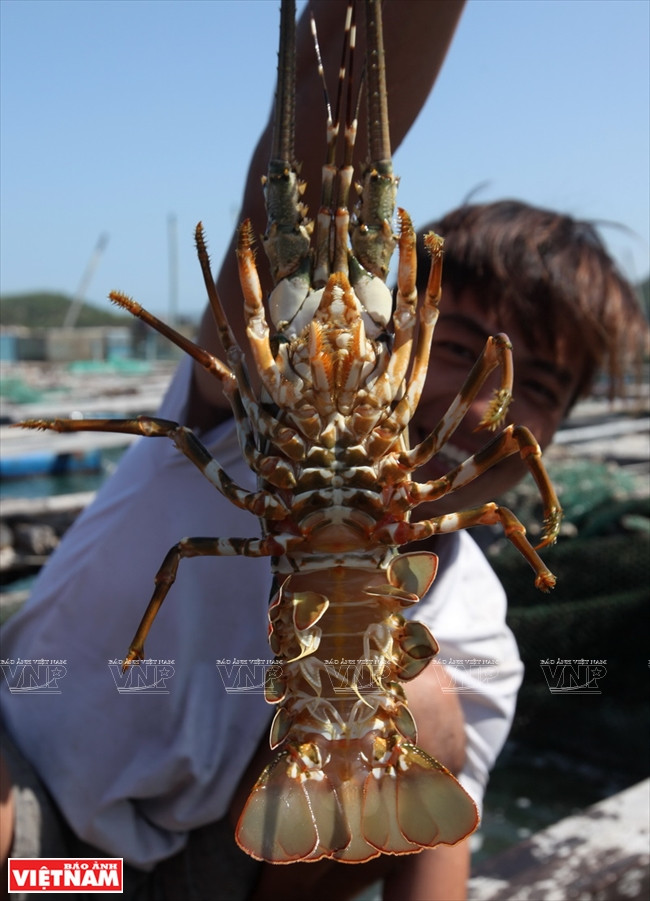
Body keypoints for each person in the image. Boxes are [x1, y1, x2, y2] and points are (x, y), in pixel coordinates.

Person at [1, 2, 645, 900]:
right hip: (36, 838)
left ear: (556, 426)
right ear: (407, 330)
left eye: (534, 383)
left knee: (430, 714)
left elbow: (442, 835)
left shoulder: (474, 628)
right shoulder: (242, 415)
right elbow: (305, 143)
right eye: (459, 349)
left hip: (204, 880)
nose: (481, 404)